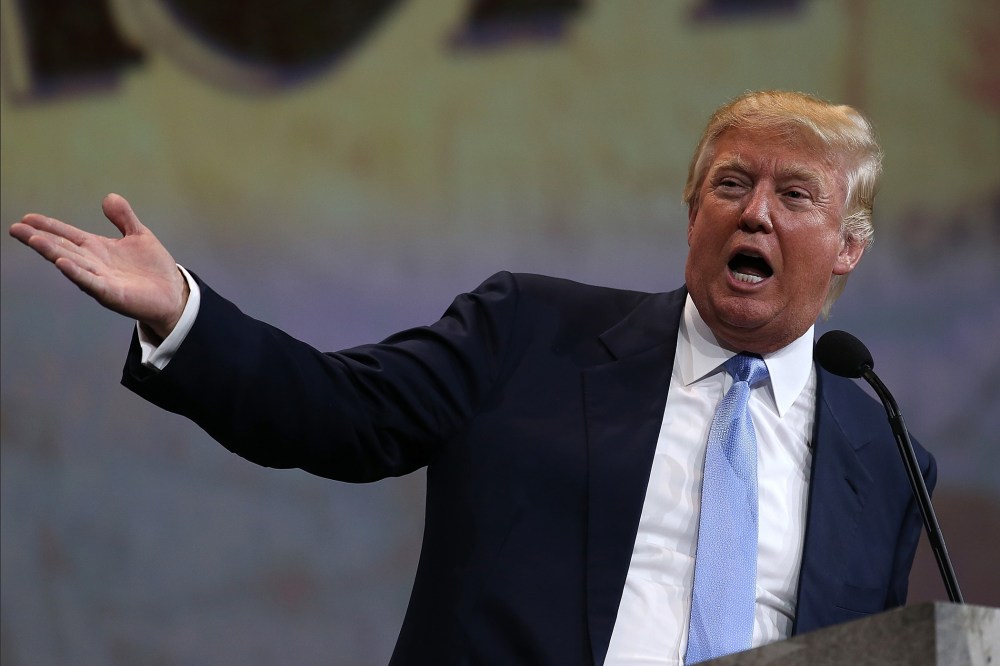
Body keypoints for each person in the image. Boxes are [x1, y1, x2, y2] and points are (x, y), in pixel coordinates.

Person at [10, 90, 934, 665]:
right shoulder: (532, 332)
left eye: (796, 196)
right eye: (732, 185)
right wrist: (183, 312)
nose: (756, 214)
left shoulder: (884, 458)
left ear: (850, 248)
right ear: (694, 213)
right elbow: (339, 413)